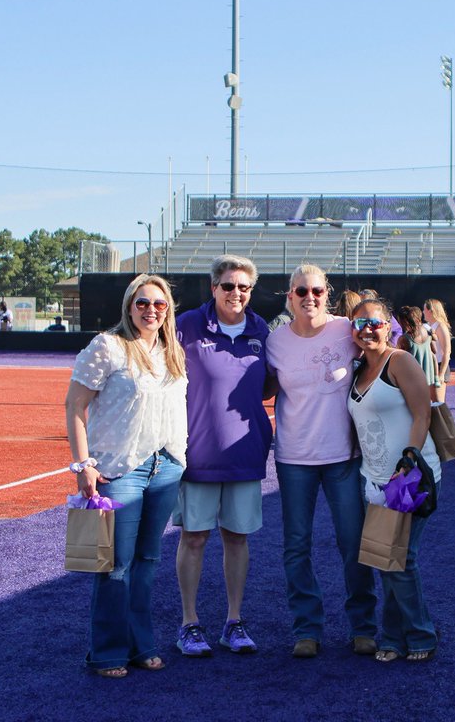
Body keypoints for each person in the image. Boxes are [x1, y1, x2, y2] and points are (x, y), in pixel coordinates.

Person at [65, 273, 188, 678]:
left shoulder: (173, 351)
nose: (150, 310)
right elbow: (75, 407)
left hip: (165, 466)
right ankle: (107, 652)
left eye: (158, 303)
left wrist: (180, 459)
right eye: (142, 303)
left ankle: (142, 645)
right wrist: (83, 465)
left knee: (148, 561)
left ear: (167, 308)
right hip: (120, 469)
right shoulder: (109, 346)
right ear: (129, 306)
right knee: (115, 564)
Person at [265, 263, 377, 659]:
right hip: (293, 458)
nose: (309, 298)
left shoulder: (346, 330)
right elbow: (259, 386)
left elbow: (386, 347)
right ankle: (306, 629)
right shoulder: (274, 341)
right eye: (301, 291)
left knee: (353, 543)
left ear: (327, 293)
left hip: (342, 457)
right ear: (289, 296)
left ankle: (363, 625)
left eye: (316, 291)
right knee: (297, 545)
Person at [172, 256, 272, 657]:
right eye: (228, 286)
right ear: (213, 287)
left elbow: (268, 386)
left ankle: (234, 621)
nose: (236, 293)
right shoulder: (186, 326)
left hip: (245, 454)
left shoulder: (261, 329)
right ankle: (189, 623)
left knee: (237, 538)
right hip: (197, 455)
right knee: (193, 538)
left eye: (243, 287)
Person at [347, 298, 440, 662]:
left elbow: (422, 415)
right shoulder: (356, 369)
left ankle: (419, 636)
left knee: (400, 560)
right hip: (373, 480)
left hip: (407, 478)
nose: (368, 329)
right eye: (360, 324)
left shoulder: (399, 361)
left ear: (389, 326)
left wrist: (409, 459)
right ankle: (392, 637)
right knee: (387, 559)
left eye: (375, 322)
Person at [396, 305, 438, 400]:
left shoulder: (404, 339)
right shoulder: (427, 331)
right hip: (428, 376)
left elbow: (398, 359)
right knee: (429, 404)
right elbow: (434, 351)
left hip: (412, 378)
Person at [422, 299, 452, 403]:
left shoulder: (441, 326)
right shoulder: (427, 326)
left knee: (438, 403)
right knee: (429, 402)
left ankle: (445, 420)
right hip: (429, 367)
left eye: (424, 309)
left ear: (431, 311)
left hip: (439, 367)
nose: (423, 312)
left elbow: (447, 352)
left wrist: (441, 374)